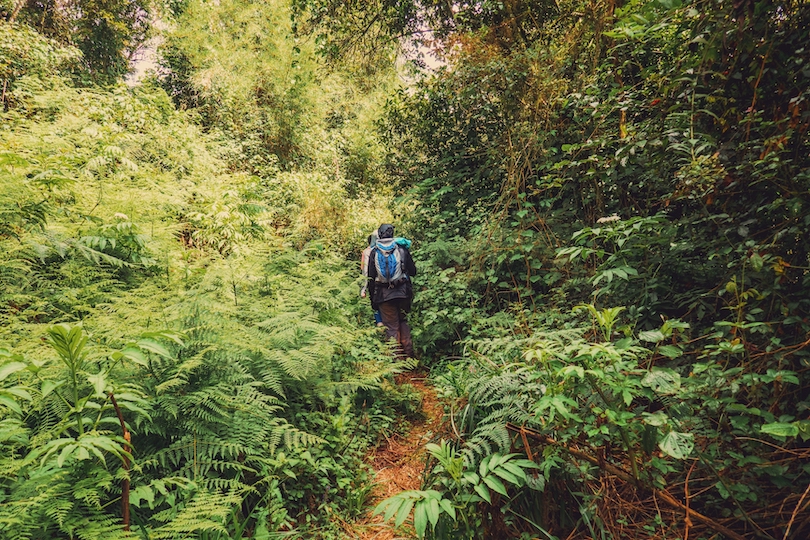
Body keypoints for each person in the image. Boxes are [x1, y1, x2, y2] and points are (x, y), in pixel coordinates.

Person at [367, 223, 417, 359]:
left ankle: (397, 363)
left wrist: (373, 301)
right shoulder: (401, 249)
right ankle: (409, 356)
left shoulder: (374, 252)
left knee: (391, 327)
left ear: (379, 235)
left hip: (384, 296)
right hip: (404, 294)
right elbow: (413, 271)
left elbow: (371, 279)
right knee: (403, 321)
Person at [360, 233, 384, 326]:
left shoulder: (366, 252)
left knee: (375, 303)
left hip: (374, 282)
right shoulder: (389, 248)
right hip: (388, 281)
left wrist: (363, 288)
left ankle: (379, 323)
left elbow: (364, 270)